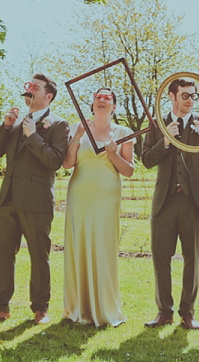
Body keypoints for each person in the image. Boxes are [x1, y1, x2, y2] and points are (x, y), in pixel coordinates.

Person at [0, 74, 70, 325]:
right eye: (28, 86)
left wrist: (33, 136)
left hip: (37, 200)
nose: (29, 90)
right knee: (4, 254)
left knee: (40, 256)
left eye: (35, 88)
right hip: (8, 199)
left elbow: (54, 161)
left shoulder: (59, 125)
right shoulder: (16, 121)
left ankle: (40, 309)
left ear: (48, 96)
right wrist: (7, 126)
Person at [142, 77, 199, 330]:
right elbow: (146, 160)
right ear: (171, 96)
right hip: (165, 201)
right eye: (185, 96)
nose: (190, 101)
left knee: (192, 257)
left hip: (194, 202)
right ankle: (164, 311)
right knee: (160, 257)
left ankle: (187, 312)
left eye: (193, 96)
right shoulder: (157, 123)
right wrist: (166, 141)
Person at [62, 87, 135, 327]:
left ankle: (105, 308)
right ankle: (77, 308)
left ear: (114, 106)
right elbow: (67, 164)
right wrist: (76, 136)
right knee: (79, 245)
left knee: (103, 247)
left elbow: (129, 171)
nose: (102, 100)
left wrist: (114, 155)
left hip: (107, 197)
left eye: (107, 98)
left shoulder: (124, 132)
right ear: (92, 104)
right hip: (79, 196)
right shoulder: (77, 127)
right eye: (98, 97)